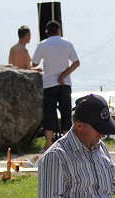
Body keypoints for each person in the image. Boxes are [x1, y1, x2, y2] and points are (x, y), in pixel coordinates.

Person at [31, 20, 80, 149]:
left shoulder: (42, 44)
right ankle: (66, 143)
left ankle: (48, 143)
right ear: (59, 30)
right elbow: (76, 63)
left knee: (49, 113)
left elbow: (34, 63)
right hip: (65, 83)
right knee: (66, 113)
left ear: (47, 32)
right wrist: (64, 74)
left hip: (49, 83)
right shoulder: (67, 43)